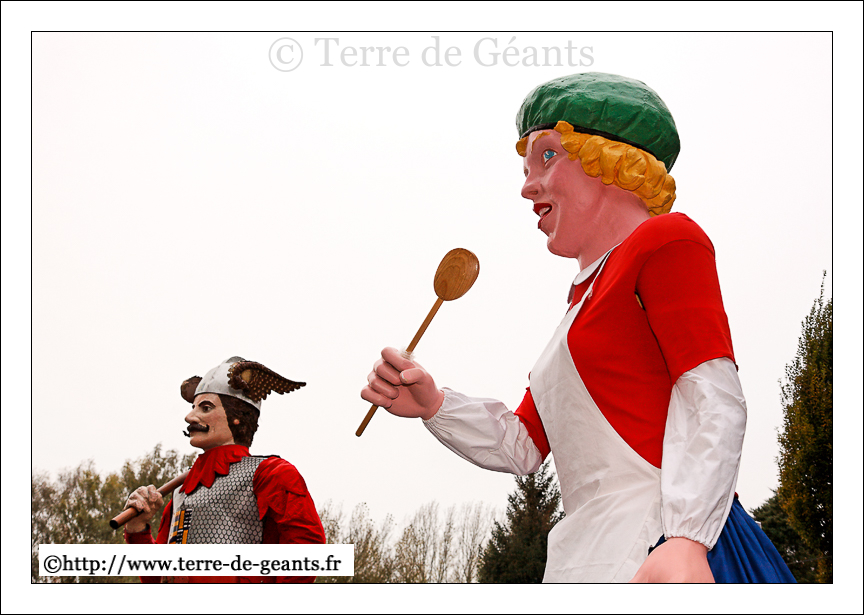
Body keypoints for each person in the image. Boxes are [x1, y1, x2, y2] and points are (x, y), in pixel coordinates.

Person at [361, 73, 795, 583]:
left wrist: (687, 538)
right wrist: (435, 404)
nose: (527, 186)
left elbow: (713, 395)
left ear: (612, 159)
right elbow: (523, 446)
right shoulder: (576, 310)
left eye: (547, 156)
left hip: (666, 544)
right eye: (526, 168)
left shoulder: (666, 239)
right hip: (587, 555)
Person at [124, 356, 326, 583]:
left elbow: (306, 551)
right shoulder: (181, 492)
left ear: (237, 417)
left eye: (205, 408)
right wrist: (137, 528)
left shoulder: (269, 473)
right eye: (193, 407)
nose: (189, 417)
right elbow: (159, 578)